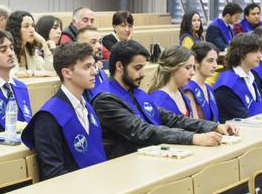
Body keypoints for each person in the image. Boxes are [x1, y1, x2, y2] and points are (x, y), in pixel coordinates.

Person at [92, 41, 230, 159]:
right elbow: (142, 131)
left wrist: (213, 127)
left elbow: (171, 119)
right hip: (123, 166)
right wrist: (194, 138)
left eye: (143, 67)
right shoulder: (105, 99)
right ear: (119, 66)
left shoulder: (134, 91)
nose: (143, 73)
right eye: (137, 68)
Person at [21, 43, 103, 179]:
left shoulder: (88, 107)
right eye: (87, 67)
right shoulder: (48, 117)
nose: (94, 71)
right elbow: (53, 172)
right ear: (67, 73)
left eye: (93, 65)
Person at [213, 33, 262, 122]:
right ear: (241, 53)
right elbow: (243, 118)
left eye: (260, 51)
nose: (260, 55)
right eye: (255, 51)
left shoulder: (253, 76)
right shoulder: (226, 86)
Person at [146, 46, 196, 117]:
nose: (193, 72)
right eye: (187, 68)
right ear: (173, 68)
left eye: (193, 67)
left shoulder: (180, 92)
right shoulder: (158, 100)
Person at [182, 41, 221, 121]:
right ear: (196, 61)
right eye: (210, 61)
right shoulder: (189, 89)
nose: (215, 65)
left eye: (216, 60)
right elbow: (195, 124)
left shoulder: (208, 88)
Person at [7, 10, 53, 77]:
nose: (32, 30)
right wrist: (33, 73)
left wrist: (44, 43)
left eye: (32, 26)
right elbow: (9, 74)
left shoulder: (30, 49)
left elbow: (49, 70)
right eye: (26, 26)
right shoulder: (7, 49)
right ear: (16, 29)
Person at [76, 26, 108, 99]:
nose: (99, 46)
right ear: (80, 46)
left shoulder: (102, 73)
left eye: (100, 42)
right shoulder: (78, 77)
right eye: (93, 42)